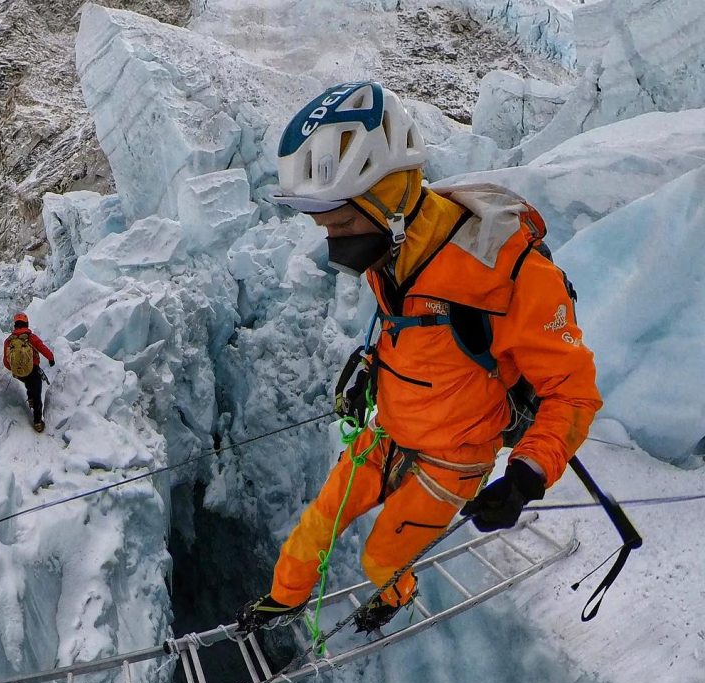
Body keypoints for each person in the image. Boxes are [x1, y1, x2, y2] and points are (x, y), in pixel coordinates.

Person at [238, 81, 602, 635]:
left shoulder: (506, 271)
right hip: (392, 432)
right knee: (312, 531)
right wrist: (372, 375)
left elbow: (572, 393)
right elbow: (417, 338)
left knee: (380, 557)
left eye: (339, 224)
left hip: (453, 459)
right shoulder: (398, 246)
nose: (333, 242)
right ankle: (284, 600)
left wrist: (526, 476)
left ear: (390, 194)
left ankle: (395, 593)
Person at [3, 312, 55, 433]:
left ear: (15, 325)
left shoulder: (9, 341)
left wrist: (16, 368)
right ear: (26, 323)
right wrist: (51, 358)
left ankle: (30, 398)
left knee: (27, 382)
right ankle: (37, 422)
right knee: (37, 393)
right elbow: (42, 348)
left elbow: (6, 362)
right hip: (33, 370)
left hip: (18, 373)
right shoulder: (31, 337)